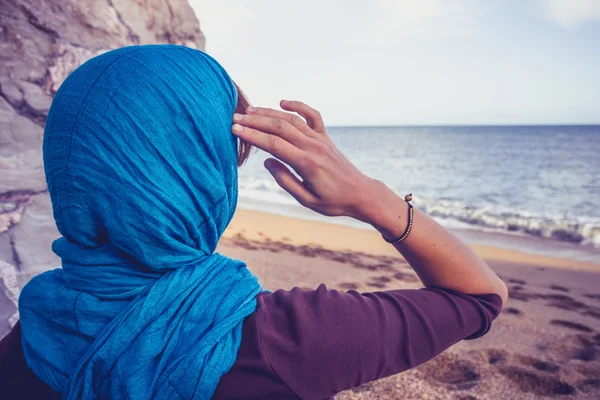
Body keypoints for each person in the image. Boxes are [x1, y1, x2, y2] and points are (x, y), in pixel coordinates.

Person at [0, 44, 507, 400]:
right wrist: (369, 197)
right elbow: (481, 296)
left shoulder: (30, 335)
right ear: (202, 175)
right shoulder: (290, 339)